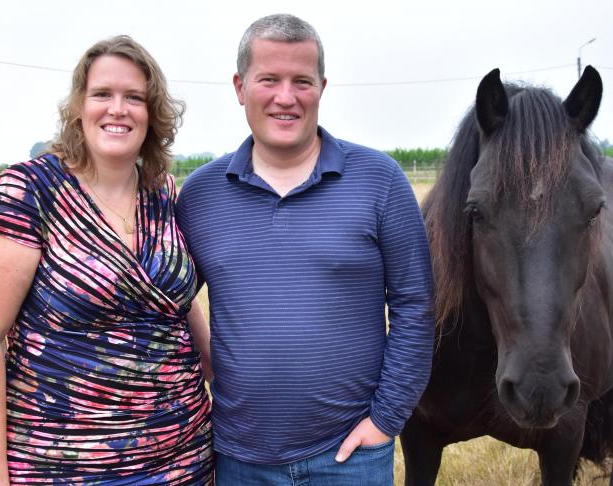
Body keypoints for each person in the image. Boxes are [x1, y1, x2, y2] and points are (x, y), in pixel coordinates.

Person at [176, 14, 434, 485]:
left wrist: (386, 421)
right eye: (268, 80)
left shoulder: (380, 182)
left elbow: (415, 306)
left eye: (302, 81)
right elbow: (165, 302)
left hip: (350, 456)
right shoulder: (200, 196)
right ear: (239, 86)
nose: (286, 97)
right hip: (238, 458)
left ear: (322, 87)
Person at [0, 35, 213, 485]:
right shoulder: (28, 193)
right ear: (78, 105)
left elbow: (177, 300)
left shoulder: (165, 193)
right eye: (102, 94)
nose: (118, 108)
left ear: (152, 113)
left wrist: (222, 377)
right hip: (63, 465)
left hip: (183, 458)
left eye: (134, 97)